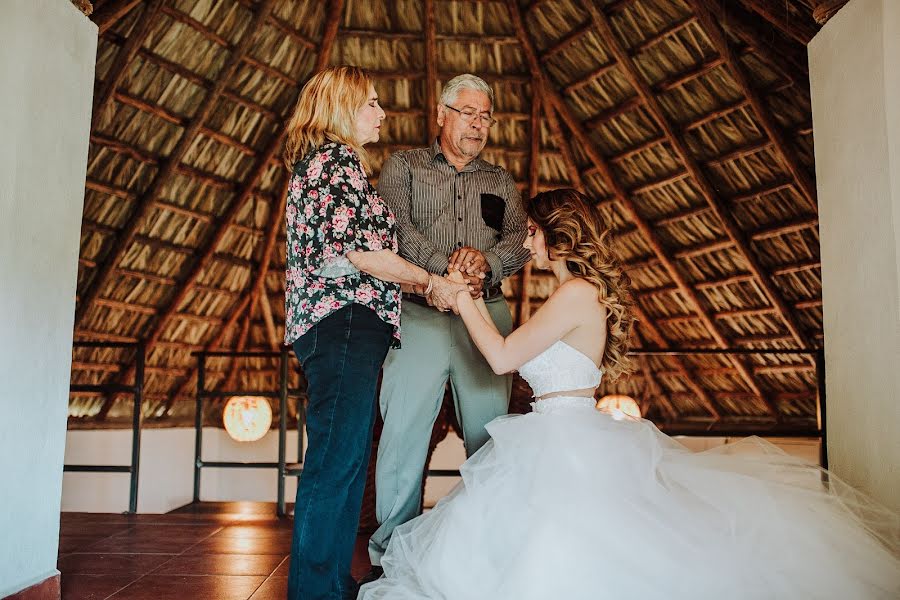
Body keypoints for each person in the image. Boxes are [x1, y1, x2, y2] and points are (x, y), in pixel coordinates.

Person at [360, 189, 900, 599]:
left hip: (562, 440)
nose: (525, 242)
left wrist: (461, 300)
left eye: (532, 232)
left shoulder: (575, 292)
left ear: (557, 235)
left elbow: (502, 357)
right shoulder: (577, 293)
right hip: (562, 431)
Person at [282, 66, 468, 600]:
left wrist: (427, 282)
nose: (382, 113)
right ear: (342, 108)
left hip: (345, 328)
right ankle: (316, 592)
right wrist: (433, 281)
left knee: (343, 463)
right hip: (342, 326)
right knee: (335, 464)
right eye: (371, 103)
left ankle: (329, 585)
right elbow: (362, 254)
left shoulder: (330, 167)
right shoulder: (333, 161)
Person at [367, 73, 531, 575]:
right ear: (441, 114)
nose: (477, 124)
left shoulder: (500, 181)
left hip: (486, 316)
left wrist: (485, 265)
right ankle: (390, 557)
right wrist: (447, 270)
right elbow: (393, 226)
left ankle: (484, 550)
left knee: (489, 434)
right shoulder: (405, 166)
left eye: (484, 116)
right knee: (403, 434)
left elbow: (521, 240)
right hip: (421, 314)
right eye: (467, 112)